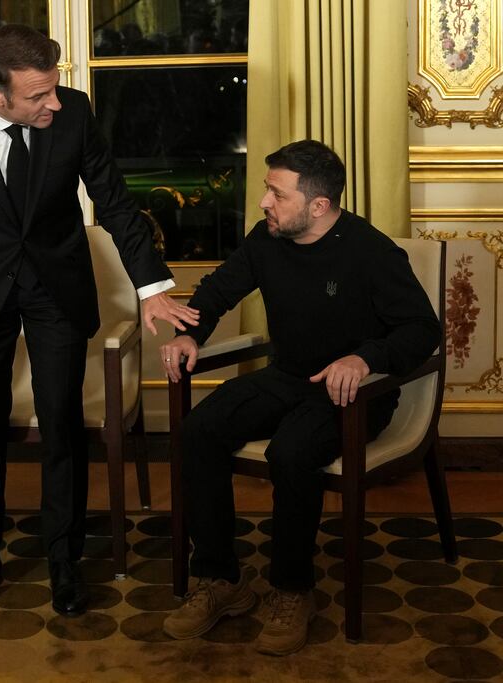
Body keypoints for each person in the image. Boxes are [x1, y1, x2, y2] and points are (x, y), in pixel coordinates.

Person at [0, 24, 198, 618]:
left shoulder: (75, 113)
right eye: (38, 96)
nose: (54, 104)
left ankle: (64, 560)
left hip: (56, 287)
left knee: (62, 422)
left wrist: (151, 285)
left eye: (55, 89)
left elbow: (113, 201)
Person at [160, 140, 440, 655]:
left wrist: (364, 358)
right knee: (199, 430)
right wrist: (188, 337)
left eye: (276, 193)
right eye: (268, 189)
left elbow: (422, 330)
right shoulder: (266, 240)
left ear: (318, 205)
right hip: (288, 376)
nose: (264, 202)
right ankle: (221, 581)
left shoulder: (372, 251)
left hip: (356, 393)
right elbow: (218, 291)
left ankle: (293, 590)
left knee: (289, 453)